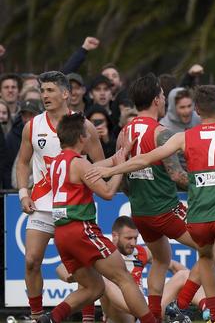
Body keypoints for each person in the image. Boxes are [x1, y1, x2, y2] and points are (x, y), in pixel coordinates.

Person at [88, 84, 215, 323]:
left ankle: (205, 315)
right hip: (196, 211)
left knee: (171, 260)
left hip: (163, 213)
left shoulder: (171, 136)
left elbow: (143, 159)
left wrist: (112, 168)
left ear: (196, 109)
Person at [94, 74, 200, 321]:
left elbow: (126, 177)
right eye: (162, 95)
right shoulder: (162, 132)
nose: (164, 99)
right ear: (156, 100)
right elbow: (177, 176)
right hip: (166, 210)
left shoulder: (124, 132)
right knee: (213, 249)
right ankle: (183, 305)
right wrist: (205, 183)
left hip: (140, 213)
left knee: (162, 260)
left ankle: (153, 316)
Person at [39, 113, 157, 323]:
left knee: (94, 287)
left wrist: (122, 153)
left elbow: (101, 165)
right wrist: (120, 169)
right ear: (82, 137)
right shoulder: (80, 163)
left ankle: (50, 318)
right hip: (80, 229)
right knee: (124, 278)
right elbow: (108, 193)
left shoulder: (57, 163)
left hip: (62, 234)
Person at [15, 72, 106, 321]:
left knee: (83, 267)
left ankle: (87, 318)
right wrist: (23, 194)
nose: (45, 95)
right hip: (42, 206)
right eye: (42, 91)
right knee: (32, 261)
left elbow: (100, 164)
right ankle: (36, 316)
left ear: (66, 94)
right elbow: (22, 164)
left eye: (50, 90)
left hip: (75, 207)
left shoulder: (84, 127)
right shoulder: (32, 126)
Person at [56, 216, 207, 323]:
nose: (133, 243)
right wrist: (71, 276)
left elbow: (174, 266)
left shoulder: (141, 252)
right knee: (99, 278)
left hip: (145, 306)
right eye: (129, 238)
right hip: (120, 316)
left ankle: (208, 311)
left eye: (135, 238)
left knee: (183, 274)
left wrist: (196, 284)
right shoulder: (102, 253)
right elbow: (61, 268)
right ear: (115, 236)